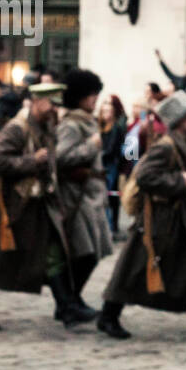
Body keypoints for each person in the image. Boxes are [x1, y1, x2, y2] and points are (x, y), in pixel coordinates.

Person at [97, 91, 186, 342]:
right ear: (180, 120)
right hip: (157, 219)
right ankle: (108, 315)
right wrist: (178, 180)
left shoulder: (181, 143)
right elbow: (144, 176)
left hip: (177, 218)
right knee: (132, 269)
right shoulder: (166, 147)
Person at [0, 83, 95, 332]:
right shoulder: (16, 129)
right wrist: (31, 161)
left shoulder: (48, 128)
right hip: (10, 206)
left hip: (37, 205)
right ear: (37, 101)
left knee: (53, 255)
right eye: (51, 104)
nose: (54, 110)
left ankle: (66, 307)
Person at [57, 69, 114, 314]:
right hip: (77, 197)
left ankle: (73, 298)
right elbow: (62, 157)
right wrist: (90, 147)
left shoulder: (87, 121)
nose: (95, 99)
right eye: (90, 94)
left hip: (92, 193)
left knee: (96, 250)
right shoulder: (71, 124)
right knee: (84, 252)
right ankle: (68, 301)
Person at [98, 98, 126, 236]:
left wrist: (99, 155)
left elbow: (111, 150)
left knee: (110, 195)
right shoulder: (101, 128)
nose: (106, 114)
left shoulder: (116, 128)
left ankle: (111, 226)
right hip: (104, 163)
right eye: (104, 111)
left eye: (108, 111)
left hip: (110, 165)